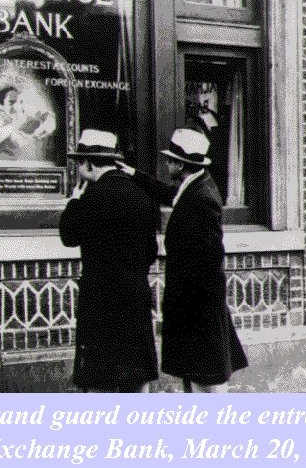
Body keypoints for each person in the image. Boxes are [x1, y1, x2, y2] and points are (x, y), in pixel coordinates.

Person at [120, 128, 248, 392]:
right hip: (196, 301)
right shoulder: (194, 186)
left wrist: (193, 302)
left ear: (180, 164)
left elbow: (210, 257)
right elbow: (168, 195)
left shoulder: (202, 199)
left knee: (206, 378)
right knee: (198, 371)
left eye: (169, 160)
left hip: (199, 304)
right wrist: (133, 174)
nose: (166, 164)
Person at [59, 129, 160, 393]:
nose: (79, 170)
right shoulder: (143, 196)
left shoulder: (90, 198)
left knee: (100, 378)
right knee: (136, 378)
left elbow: (68, 236)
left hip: (100, 301)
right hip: (135, 296)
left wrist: (73, 200)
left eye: (80, 163)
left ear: (89, 163)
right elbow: (152, 250)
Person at [0, 85, 56, 164]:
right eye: (11, 102)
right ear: (1, 105)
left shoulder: (23, 115)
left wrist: (40, 132)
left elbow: (49, 117)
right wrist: (13, 128)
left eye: (17, 102)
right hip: (1, 164)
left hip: (27, 163)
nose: (15, 106)